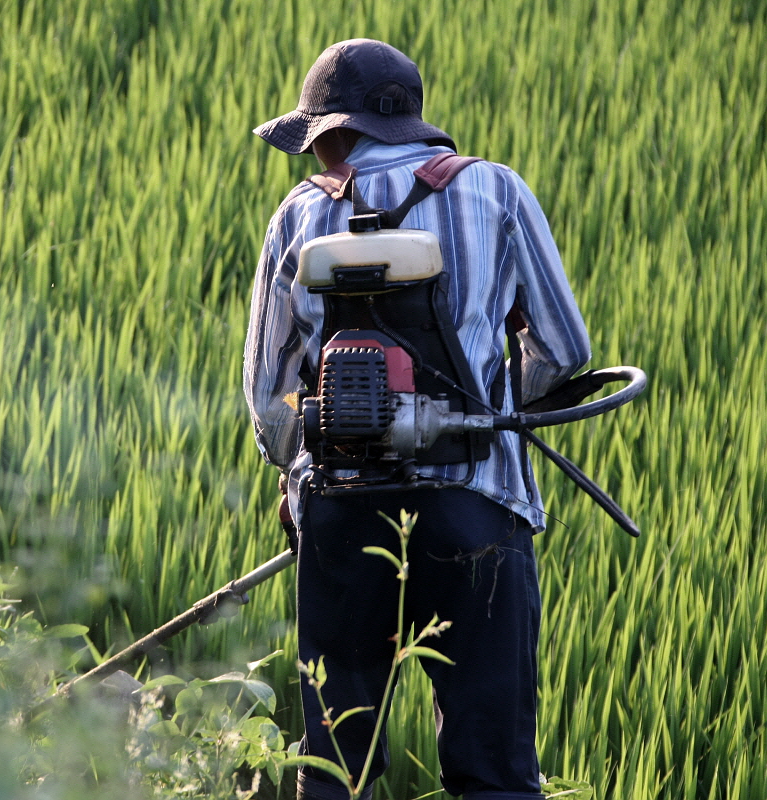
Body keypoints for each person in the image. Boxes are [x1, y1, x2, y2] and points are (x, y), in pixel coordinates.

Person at [243, 39, 591, 800]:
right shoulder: (496, 191)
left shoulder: (300, 212)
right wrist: (490, 415)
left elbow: (268, 404)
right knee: (494, 771)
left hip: (339, 517)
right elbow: (564, 349)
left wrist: (301, 476)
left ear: (332, 131)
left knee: (336, 770)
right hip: (477, 511)